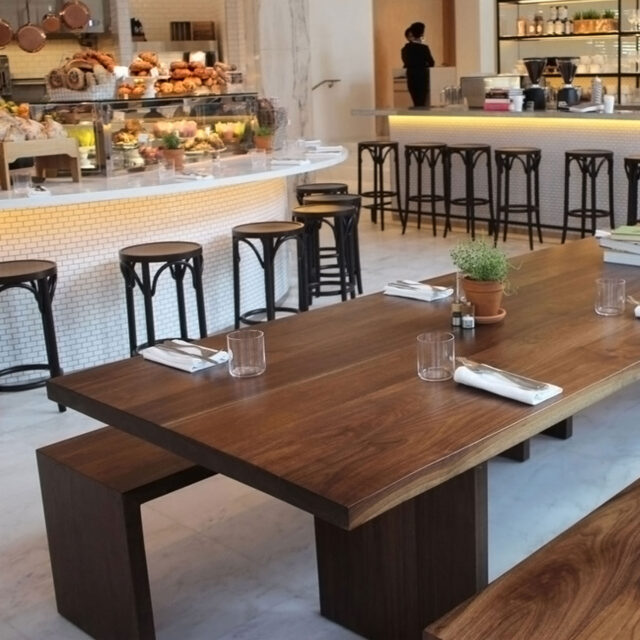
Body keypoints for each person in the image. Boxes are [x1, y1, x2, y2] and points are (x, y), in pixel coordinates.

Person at [401, 22, 435, 108]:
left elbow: (406, 63)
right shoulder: (424, 48)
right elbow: (431, 63)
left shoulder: (404, 49)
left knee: (415, 101)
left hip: (411, 76)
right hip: (422, 76)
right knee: (421, 102)